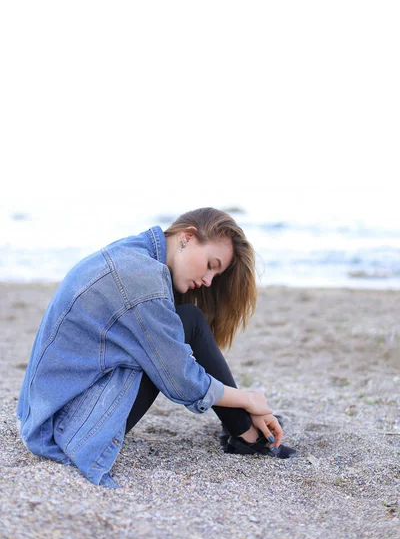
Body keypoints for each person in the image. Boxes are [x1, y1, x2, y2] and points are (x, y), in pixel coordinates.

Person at [17, 207, 296, 488]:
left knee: (185, 323)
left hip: (49, 414)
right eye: (211, 265)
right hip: (66, 429)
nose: (208, 281)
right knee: (183, 332)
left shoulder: (134, 252)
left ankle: (241, 426)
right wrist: (249, 400)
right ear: (187, 237)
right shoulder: (142, 277)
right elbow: (181, 379)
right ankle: (246, 432)